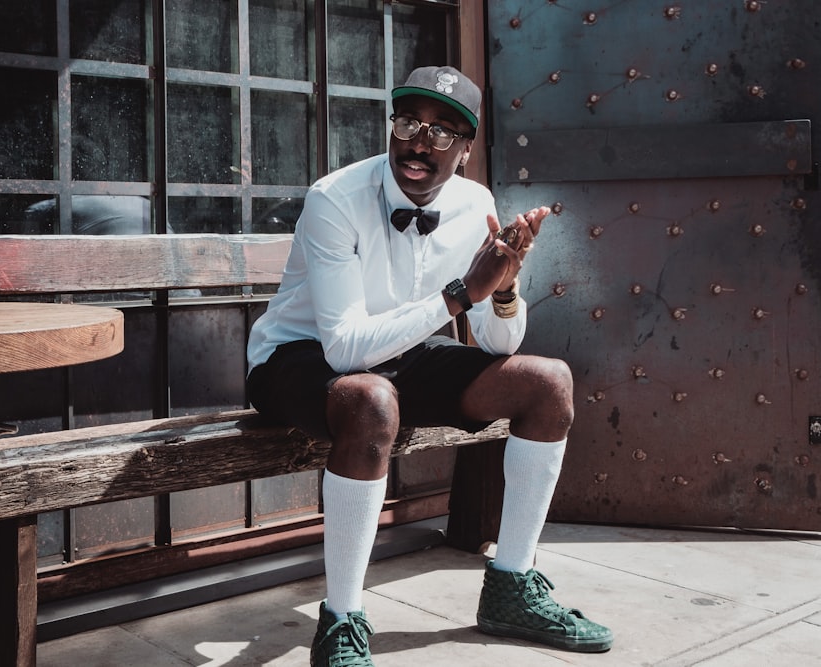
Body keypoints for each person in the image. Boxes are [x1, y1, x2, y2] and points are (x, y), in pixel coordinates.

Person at [245, 65, 613, 665]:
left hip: (403, 353)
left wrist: (502, 287)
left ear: (466, 151)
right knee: (370, 400)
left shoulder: (475, 204)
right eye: (410, 122)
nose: (420, 141)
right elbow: (343, 351)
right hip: (298, 356)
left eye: (444, 132)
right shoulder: (334, 198)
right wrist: (459, 295)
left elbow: (499, 345)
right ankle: (341, 620)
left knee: (548, 383)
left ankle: (512, 587)